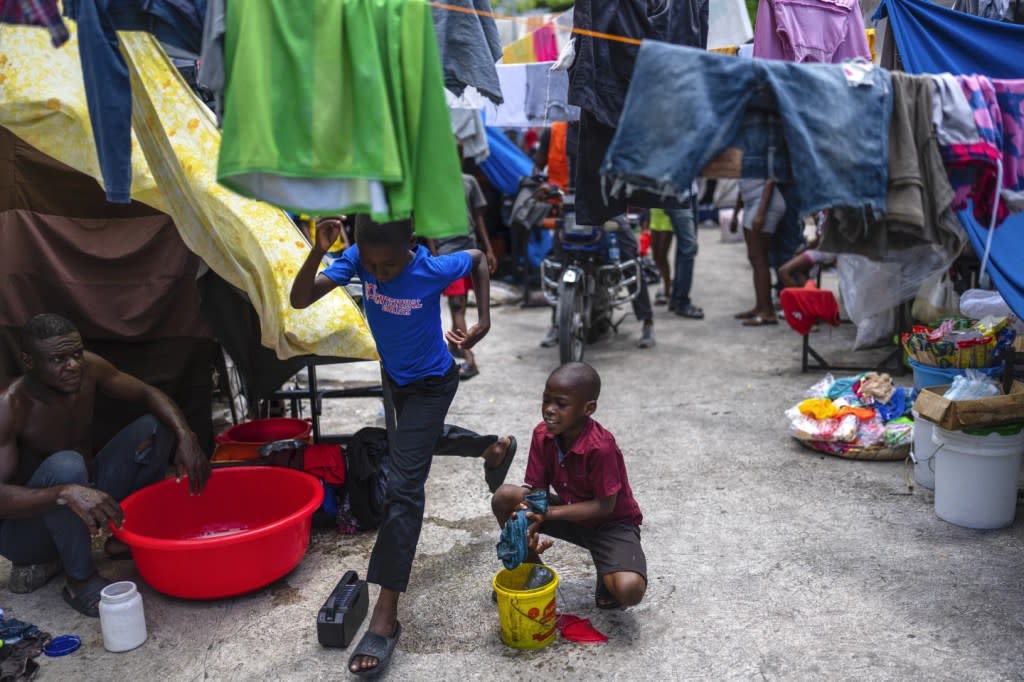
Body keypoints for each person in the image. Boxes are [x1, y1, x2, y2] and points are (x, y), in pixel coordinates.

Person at [290, 214, 496, 677]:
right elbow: (300, 298)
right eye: (374, 268)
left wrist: (482, 321)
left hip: (433, 384)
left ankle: (385, 614)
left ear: (412, 246)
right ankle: (492, 448)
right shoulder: (360, 259)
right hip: (396, 379)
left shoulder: (431, 269)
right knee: (412, 447)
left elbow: (480, 259)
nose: (380, 275)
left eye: (389, 268)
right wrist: (320, 250)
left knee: (404, 488)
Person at [0, 314, 211, 617]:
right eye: (58, 359)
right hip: (27, 532)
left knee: (156, 426)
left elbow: (148, 393)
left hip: (85, 488)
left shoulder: (89, 368)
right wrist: (64, 492)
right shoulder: (10, 405)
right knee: (66, 466)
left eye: (75, 354)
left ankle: (126, 538)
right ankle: (80, 581)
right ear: (28, 362)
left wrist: (186, 436)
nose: (73, 365)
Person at [491, 362, 646, 611]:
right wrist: (529, 528)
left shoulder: (600, 447)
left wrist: (548, 513)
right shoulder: (543, 435)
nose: (549, 411)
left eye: (561, 404)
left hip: (610, 525)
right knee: (505, 497)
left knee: (629, 590)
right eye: (546, 401)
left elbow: (605, 506)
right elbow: (537, 493)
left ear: (588, 408)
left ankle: (607, 565)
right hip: (570, 514)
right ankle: (535, 573)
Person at [541, 216, 656, 349]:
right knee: (557, 263)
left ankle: (647, 321)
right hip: (574, 215)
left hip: (609, 213)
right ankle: (557, 323)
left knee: (630, 261)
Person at [427, 169, 497, 381]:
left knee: (462, 303)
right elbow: (427, 221)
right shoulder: (432, 183)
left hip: (471, 252)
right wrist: (434, 254)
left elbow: (479, 218)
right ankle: (469, 359)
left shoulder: (469, 181)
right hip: (447, 254)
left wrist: (488, 249)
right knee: (457, 306)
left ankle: (453, 346)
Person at [733, 179, 786, 326]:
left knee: (759, 258)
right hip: (753, 202)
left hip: (763, 202)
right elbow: (742, 186)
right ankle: (760, 307)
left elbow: (771, 179)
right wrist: (735, 214)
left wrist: (761, 213)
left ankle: (767, 312)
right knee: (755, 258)